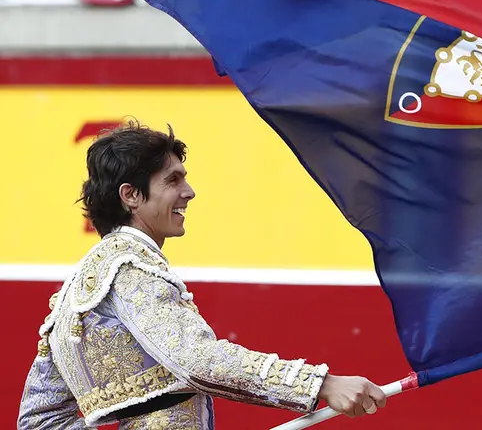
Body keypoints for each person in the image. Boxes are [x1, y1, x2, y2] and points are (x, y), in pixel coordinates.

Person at [17, 121, 386, 429]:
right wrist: (322, 383)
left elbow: (39, 419)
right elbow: (197, 360)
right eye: (173, 180)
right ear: (130, 195)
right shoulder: (130, 267)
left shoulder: (77, 288)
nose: (189, 192)